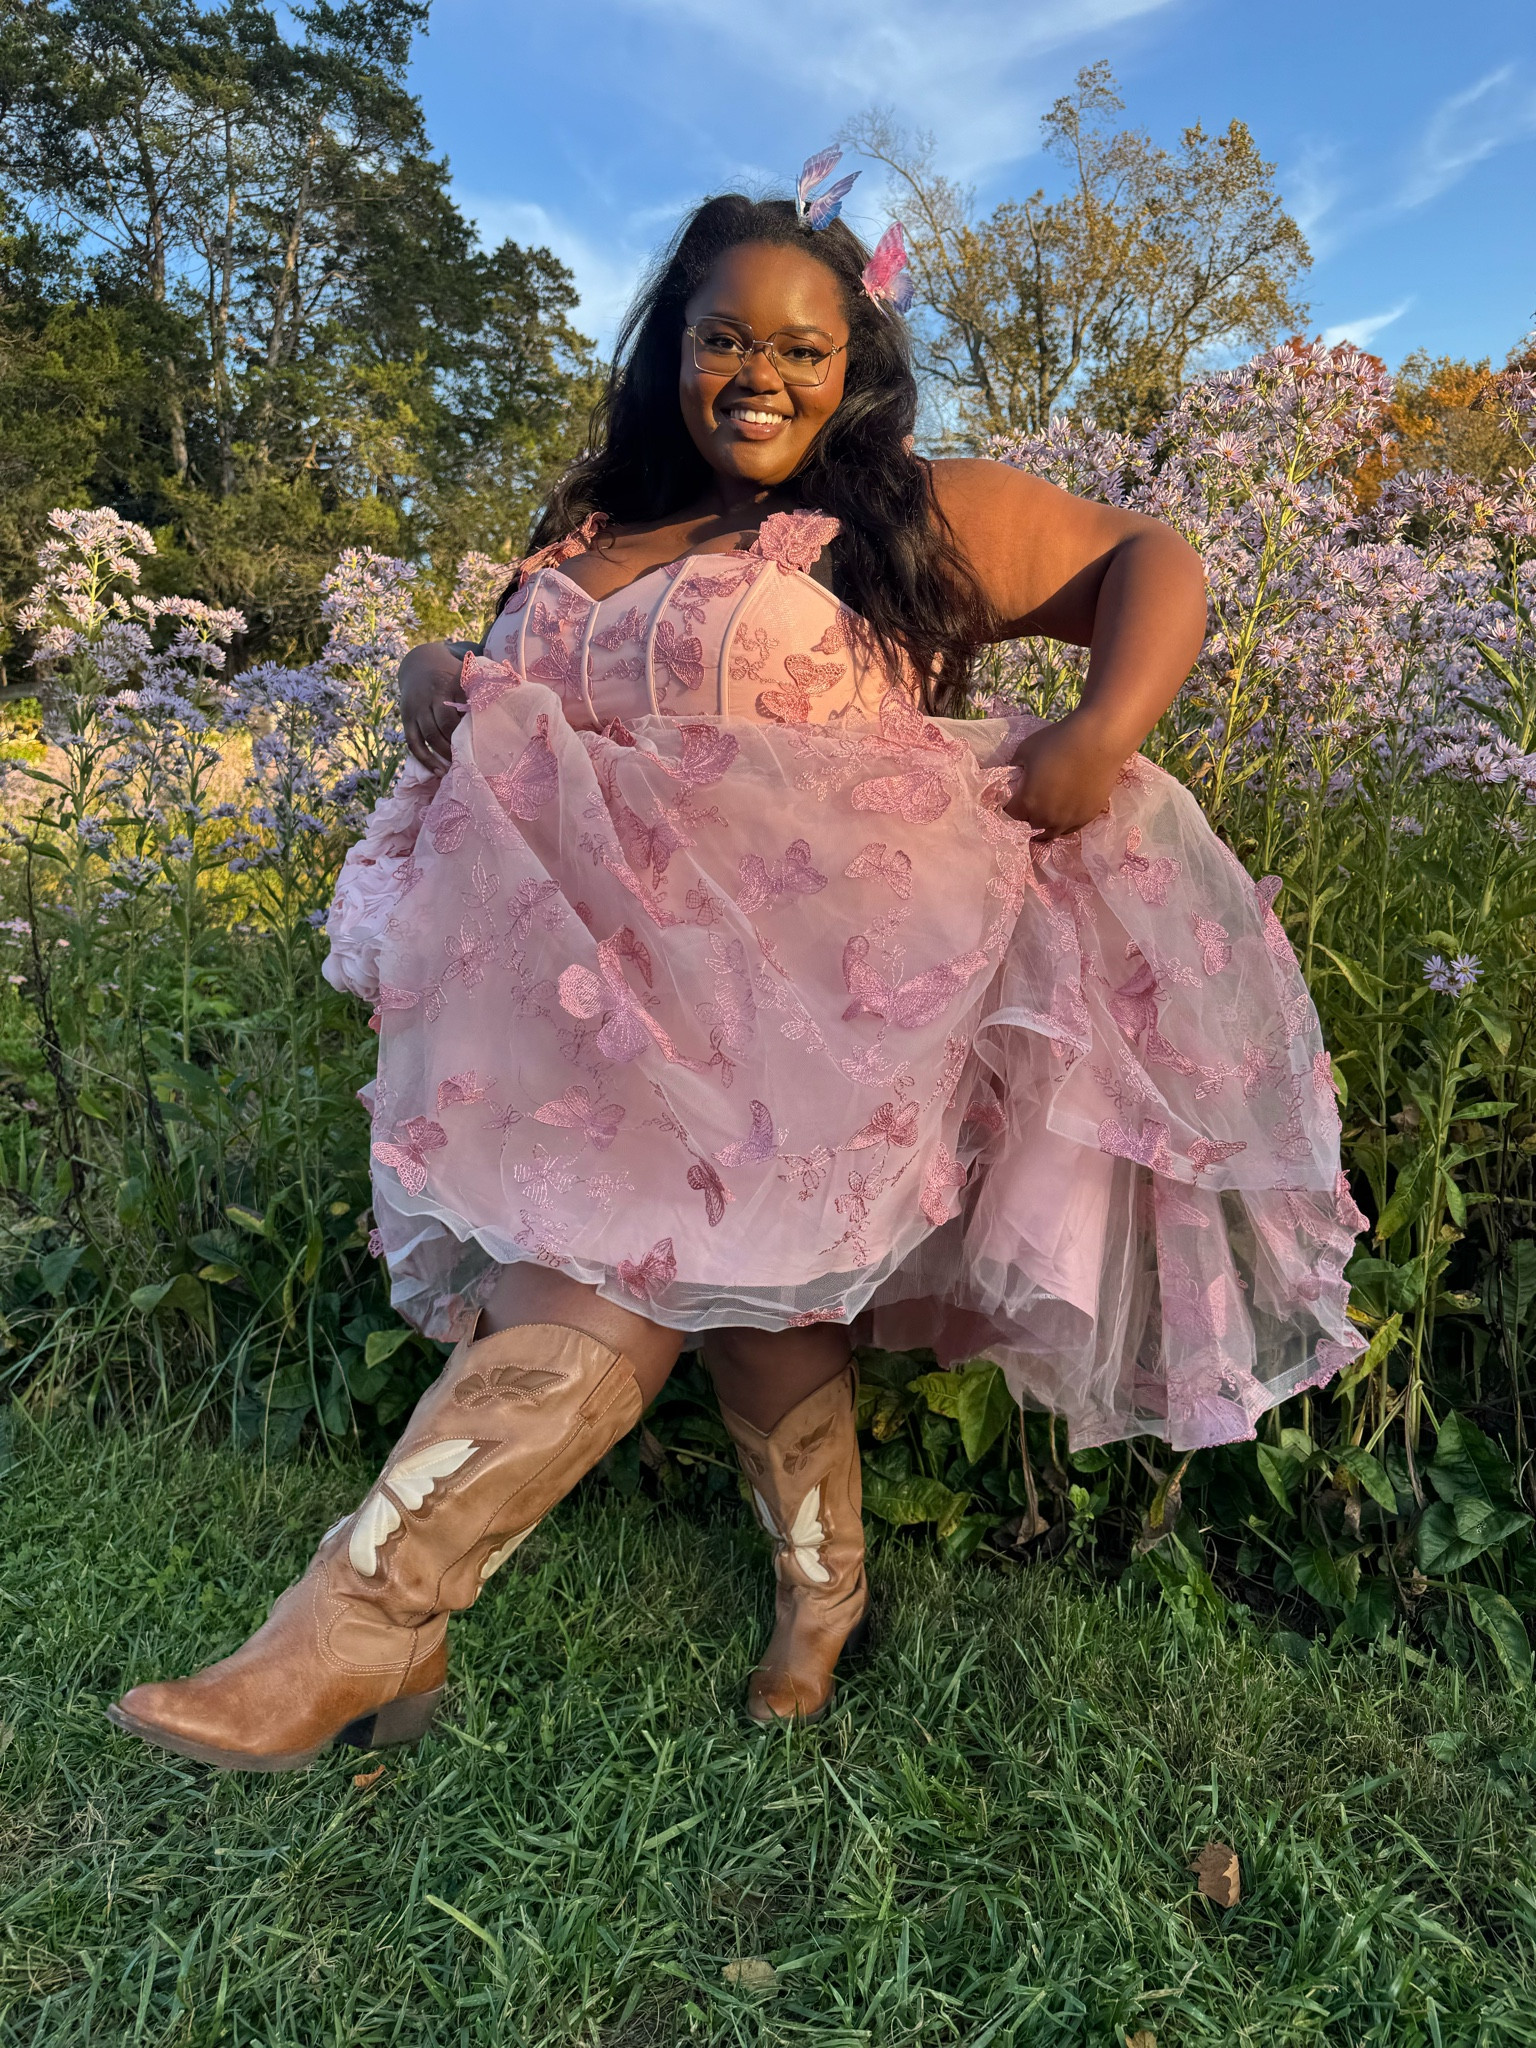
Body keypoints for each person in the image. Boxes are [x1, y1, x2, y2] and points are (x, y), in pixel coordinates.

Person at [108, 167, 1362, 1772]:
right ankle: (803, 1599)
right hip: (589, 1001)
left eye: (803, 348)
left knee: (617, 1293)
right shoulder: (592, 531)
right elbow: (526, 705)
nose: (759, 375)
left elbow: (1148, 558)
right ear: (672, 347)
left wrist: (1102, 733)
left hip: (808, 1011)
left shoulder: (895, 513)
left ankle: (358, 1629)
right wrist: (445, 663)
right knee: (758, 1321)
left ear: (854, 369)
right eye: (723, 339)